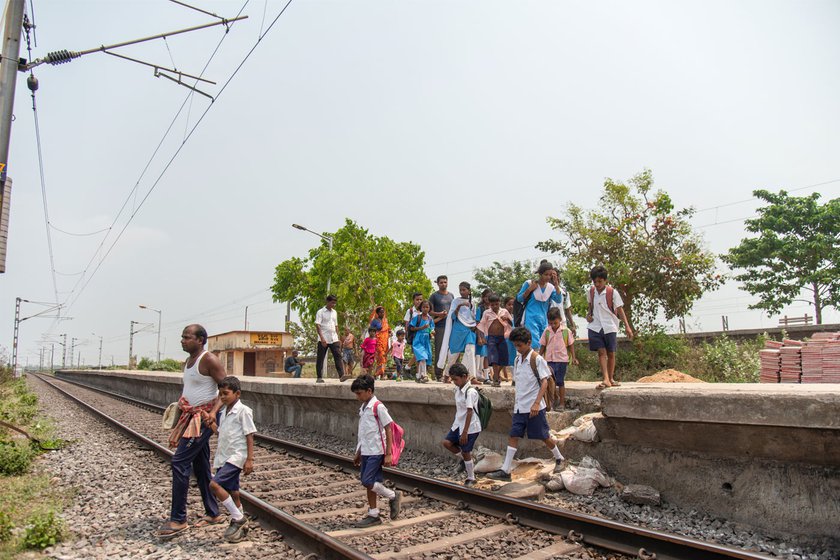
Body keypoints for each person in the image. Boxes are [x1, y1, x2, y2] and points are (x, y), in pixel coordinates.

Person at [157, 324, 226, 539]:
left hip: (203, 419)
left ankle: (178, 519)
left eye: (187, 337)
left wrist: (213, 413)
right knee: (201, 464)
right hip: (191, 417)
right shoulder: (189, 362)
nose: (182, 340)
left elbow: (227, 389)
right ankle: (213, 513)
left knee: (179, 462)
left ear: (201, 340)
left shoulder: (209, 360)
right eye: (182, 337)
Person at [487, 327, 565, 482]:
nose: (518, 348)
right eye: (516, 346)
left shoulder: (536, 359)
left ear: (528, 343)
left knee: (543, 436)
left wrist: (536, 403)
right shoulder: (517, 360)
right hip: (520, 407)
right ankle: (506, 469)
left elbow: (544, 382)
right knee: (513, 435)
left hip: (533, 407)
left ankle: (560, 458)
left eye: (520, 345)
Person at [199, 376, 256, 543]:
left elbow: (249, 435)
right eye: (220, 394)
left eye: (226, 393)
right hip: (224, 457)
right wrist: (210, 424)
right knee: (234, 492)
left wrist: (249, 459)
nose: (222, 397)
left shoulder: (243, 411)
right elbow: (220, 432)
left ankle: (238, 518)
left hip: (236, 456)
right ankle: (242, 526)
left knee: (214, 485)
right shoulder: (223, 412)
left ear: (237, 393)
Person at [351, 375, 402, 527]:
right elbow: (364, 433)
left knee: (367, 481)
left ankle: (393, 495)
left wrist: (388, 453)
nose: (357, 396)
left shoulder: (378, 407)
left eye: (359, 393)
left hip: (376, 450)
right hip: (366, 450)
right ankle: (373, 514)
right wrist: (358, 453)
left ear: (369, 390)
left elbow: (389, 429)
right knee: (371, 483)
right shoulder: (363, 407)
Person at [586, 265, 633, 388]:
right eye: (595, 282)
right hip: (595, 326)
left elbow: (620, 310)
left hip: (609, 325)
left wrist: (627, 326)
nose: (597, 284)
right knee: (601, 352)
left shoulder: (612, 293)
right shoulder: (591, 292)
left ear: (605, 280)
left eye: (599, 281)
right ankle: (605, 378)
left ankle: (610, 378)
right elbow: (590, 308)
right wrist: (588, 316)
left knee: (611, 353)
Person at [441, 363, 482, 487]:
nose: (454, 382)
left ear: (464, 377)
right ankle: (466, 460)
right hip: (458, 424)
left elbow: (469, 411)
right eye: (452, 379)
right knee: (447, 443)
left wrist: (465, 432)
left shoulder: (470, 392)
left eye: (455, 379)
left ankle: (471, 477)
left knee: (466, 450)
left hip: (470, 427)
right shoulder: (458, 390)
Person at [516, 262, 563, 350]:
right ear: (540, 274)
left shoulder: (550, 287)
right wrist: (529, 290)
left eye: (550, 275)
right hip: (531, 318)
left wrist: (556, 285)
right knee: (534, 343)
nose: (548, 277)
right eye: (546, 274)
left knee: (544, 343)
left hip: (543, 319)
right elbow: (519, 298)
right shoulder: (529, 283)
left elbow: (558, 299)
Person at [438, 281, 478, 383]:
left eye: (464, 290)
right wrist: (459, 306)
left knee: (471, 351)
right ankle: (447, 374)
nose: (462, 292)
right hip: (457, 330)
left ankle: (473, 377)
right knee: (453, 356)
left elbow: (474, 317)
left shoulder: (473, 303)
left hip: (469, 330)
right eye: (460, 290)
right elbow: (452, 316)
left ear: (469, 291)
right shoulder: (455, 301)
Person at [539, 308, 578, 410]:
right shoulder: (546, 331)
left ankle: (561, 403)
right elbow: (543, 345)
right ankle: (551, 402)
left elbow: (571, 345)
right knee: (550, 382)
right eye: (550, 323)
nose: (553, 325)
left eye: (555, 323)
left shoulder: (566, 331)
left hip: (562, 361)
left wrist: (574, 358)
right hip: (549, 361)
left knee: (560, 381)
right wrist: (539, 357)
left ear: (560, 319)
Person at [477, 293, 513, 386]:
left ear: (499, 303)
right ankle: (496, 380)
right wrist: (481, 337)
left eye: (496, 304)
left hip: (502, 337)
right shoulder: (486, 313)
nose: (494, 306)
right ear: (489, 305)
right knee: (494, 359)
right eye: (492, 305)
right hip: (491, 338)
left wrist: (507, 319)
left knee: (504, 359)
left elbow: (512, 323)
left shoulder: (504, 311)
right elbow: (481, 325)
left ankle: (496, 375)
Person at [315, 295, 347, 383]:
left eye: (334, 303)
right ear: (327, 302)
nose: (333, 304)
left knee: (338, 356)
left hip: (334, 338)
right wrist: (322, 338)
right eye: (332, 302)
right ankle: (319, 377)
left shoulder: (334, 312)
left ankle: (341, 375)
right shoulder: (320, 312)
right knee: (321, 358)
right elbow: (318, 325)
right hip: (324, 338)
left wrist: (338, 337)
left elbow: (336, 325)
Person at [429, 276, 454, 380]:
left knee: (452, 351)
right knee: (439, 350)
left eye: (445, 282)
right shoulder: (434, 296)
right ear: (438, 284)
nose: (443, 284)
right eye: (441, 282)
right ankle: (438, 374)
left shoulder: (451, 295)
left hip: (451, 326)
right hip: (439, 326)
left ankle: (452, 374)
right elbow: (429, 311)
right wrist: (439, 314)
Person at [409, 300, 434, 383]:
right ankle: (424, 375)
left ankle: (419, 376)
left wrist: (432, 332)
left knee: (424, 358)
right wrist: (421, 328)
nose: (425, 309)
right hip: (418, 339)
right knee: (422, 356)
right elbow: (411, 328)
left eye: (427, 307)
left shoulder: (430, 319)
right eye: (423, 307)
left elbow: (431, 329)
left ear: (429, 308)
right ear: (421, 308)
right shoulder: (417, 318)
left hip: (426, 340)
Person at [473, 289, 492, 383]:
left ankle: (486, 375)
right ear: (483, 297)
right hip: (481, 333)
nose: (487, 299)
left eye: (489, 297)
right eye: (486, 297)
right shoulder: (480, 308)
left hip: (490, 334)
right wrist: (480, 336)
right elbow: (477, 322)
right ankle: (477, 374)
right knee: (479, 355)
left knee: (487, 355)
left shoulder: (493, 308)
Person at [369, 306, 391, 379]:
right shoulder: (374, 321)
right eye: (381, 312)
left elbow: (388, 329)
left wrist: (390, 332)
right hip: (378, 341)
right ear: (378, 313)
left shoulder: (386, 320)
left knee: (384, 356)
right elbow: (371, 330)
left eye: (383, 312)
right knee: (381, 356)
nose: (382, 313)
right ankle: (377, 373)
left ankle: (381, 375)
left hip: (385, 341)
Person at [502, 297, 517, 382]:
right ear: (505, 305)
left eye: (513, 304)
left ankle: (515, 378)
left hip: (513, 339)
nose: (511, 306)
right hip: (506, 338)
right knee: (506, 359)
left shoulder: (515, 315)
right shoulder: (503, 314)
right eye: (509, 304)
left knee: (513, 358)